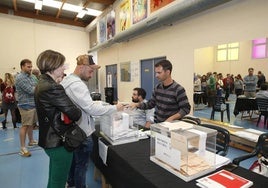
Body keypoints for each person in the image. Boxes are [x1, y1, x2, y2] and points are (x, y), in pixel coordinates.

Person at [61, 54, 124, 188]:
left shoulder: (67, 81)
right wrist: (115, 108)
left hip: (72, 130)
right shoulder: (76, 84)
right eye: (90, 71)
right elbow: (91, 109)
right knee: (81, 165)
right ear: (82, 67)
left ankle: (71, 183)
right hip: (82, 132)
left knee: (73, 161)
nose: (91, 75)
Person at [34, 50, 82, 188]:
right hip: (59, 142)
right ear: (53, 67)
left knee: (53, 178)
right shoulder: (53, 87)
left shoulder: (41, 83)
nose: (64, 68)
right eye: (62, 65)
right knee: (59, 181)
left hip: (49, 139)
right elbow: (75, 113)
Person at [15, 59, 38, 157]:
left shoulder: (32, 76)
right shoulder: (20, 78)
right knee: (25, 125)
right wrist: (37, 88)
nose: (30, 68)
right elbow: (31, 90)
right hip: (25, 105)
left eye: (31, 66)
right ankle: (22, 148)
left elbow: (37, 86)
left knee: (31, 124)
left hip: (33, 104)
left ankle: (31, 141)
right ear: (22, 67)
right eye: (28, 67)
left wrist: (37, 87)